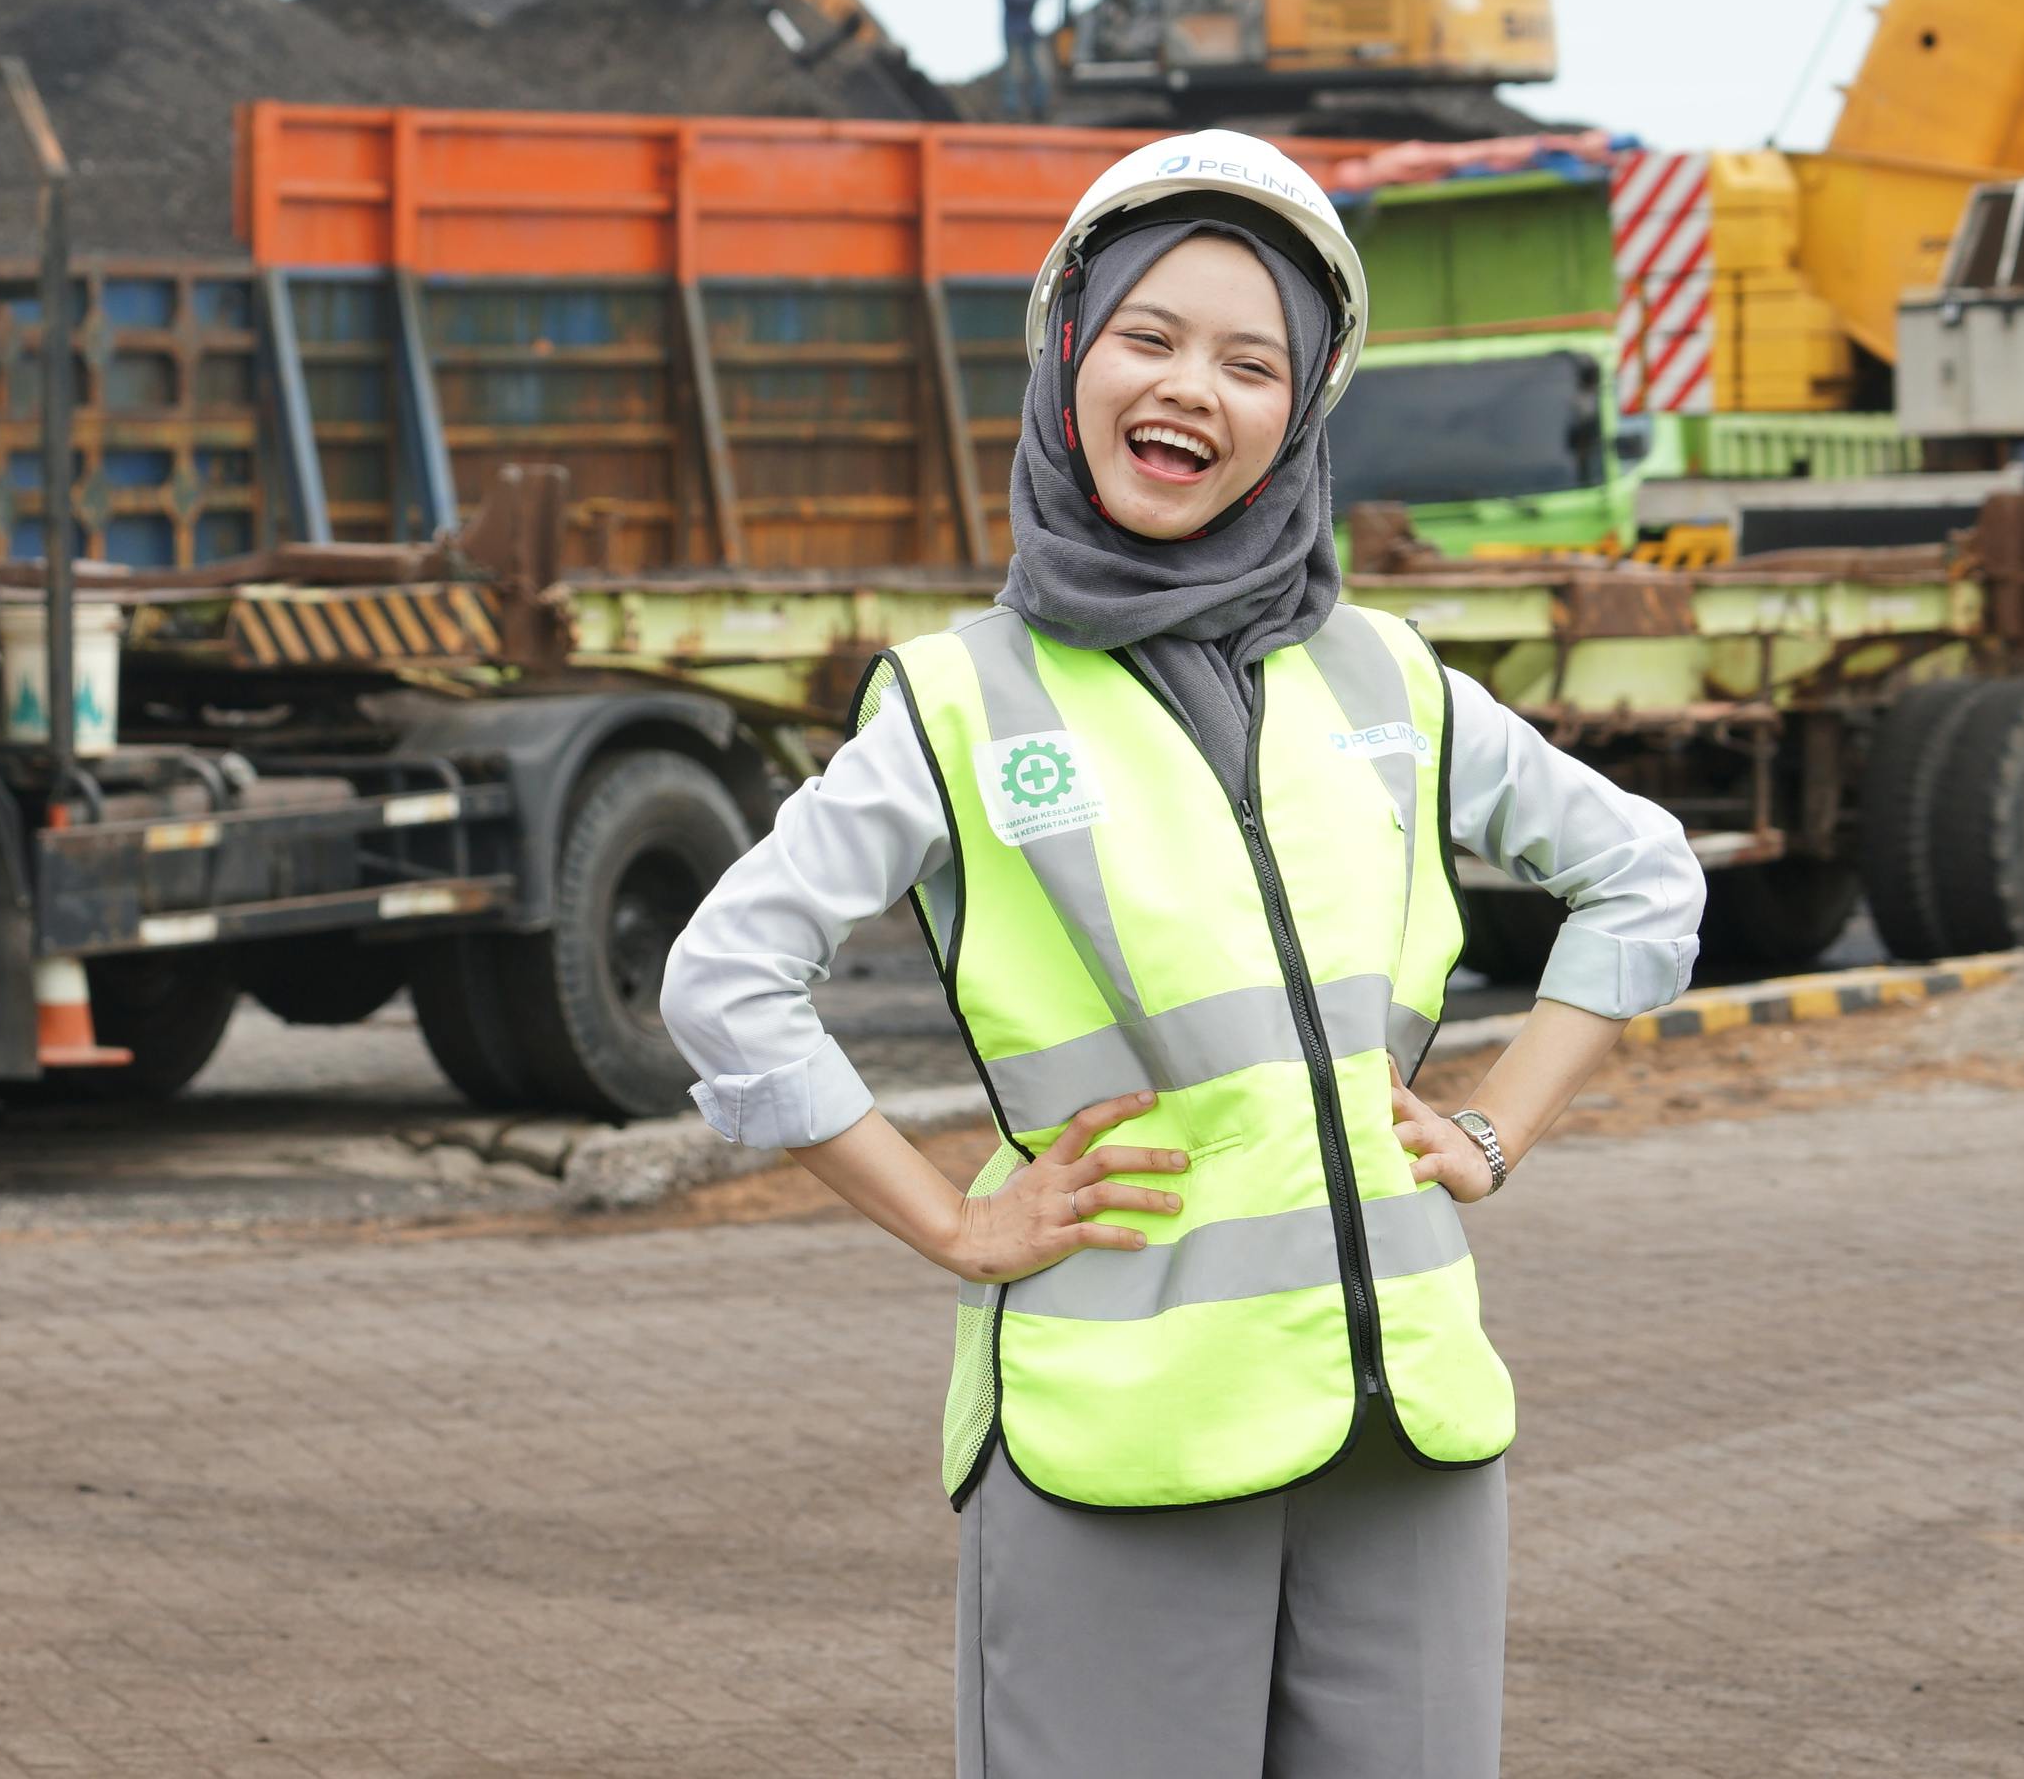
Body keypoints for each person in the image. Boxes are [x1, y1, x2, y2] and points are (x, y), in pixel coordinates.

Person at [662, 130, 1703, 1778]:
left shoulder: (1388, 678)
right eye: (1149, 337)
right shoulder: (960, 701)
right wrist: (947, 1215)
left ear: (1302, 412)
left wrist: (1501, 1125)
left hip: (1403, 1427)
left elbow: (1641, 878)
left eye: (1250, 360)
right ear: (1069, 351)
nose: (1191, 390)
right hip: (1123, 1434)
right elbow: (724, 977)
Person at [998, 0, 1053, 120]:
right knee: (1014, 71)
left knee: (1037, 70)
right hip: (1015, 31)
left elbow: (1026, 1)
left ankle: (1038, 108)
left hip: (1027, 31)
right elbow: (1020, 0)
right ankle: (1011, 110)